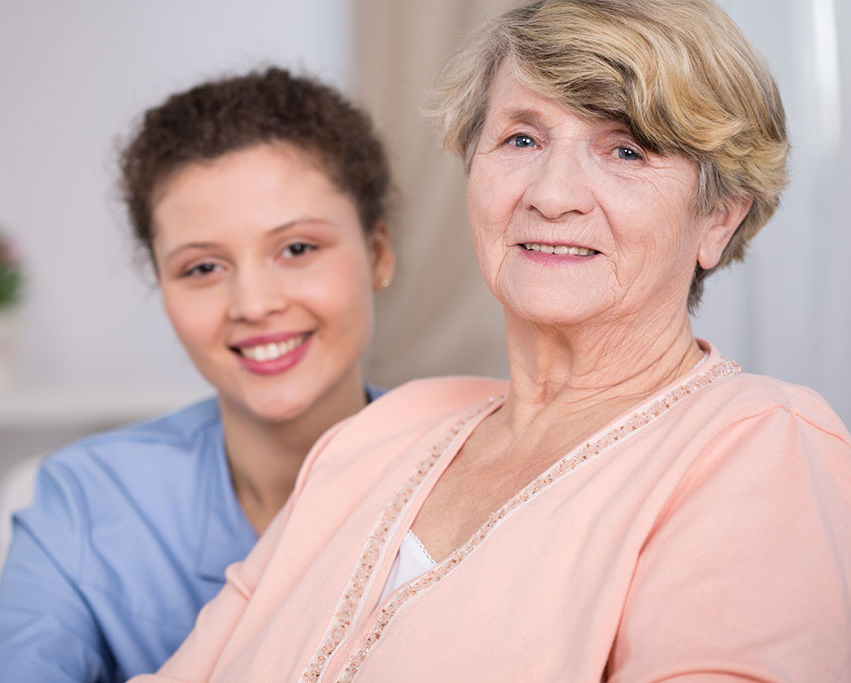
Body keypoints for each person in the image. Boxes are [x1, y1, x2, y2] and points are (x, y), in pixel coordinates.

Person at [132, 1, 851, 680]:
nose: (550, 192)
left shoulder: (761, 442)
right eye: (521, 138)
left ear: (718, 217)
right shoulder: (382, 430)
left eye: (625, 150)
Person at [0, 67, 396, 682]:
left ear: (377, 254)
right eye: (202, 268)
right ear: (160, 286)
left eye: (297, 249)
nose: (253, 302)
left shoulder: (477, 485)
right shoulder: (83, 503)